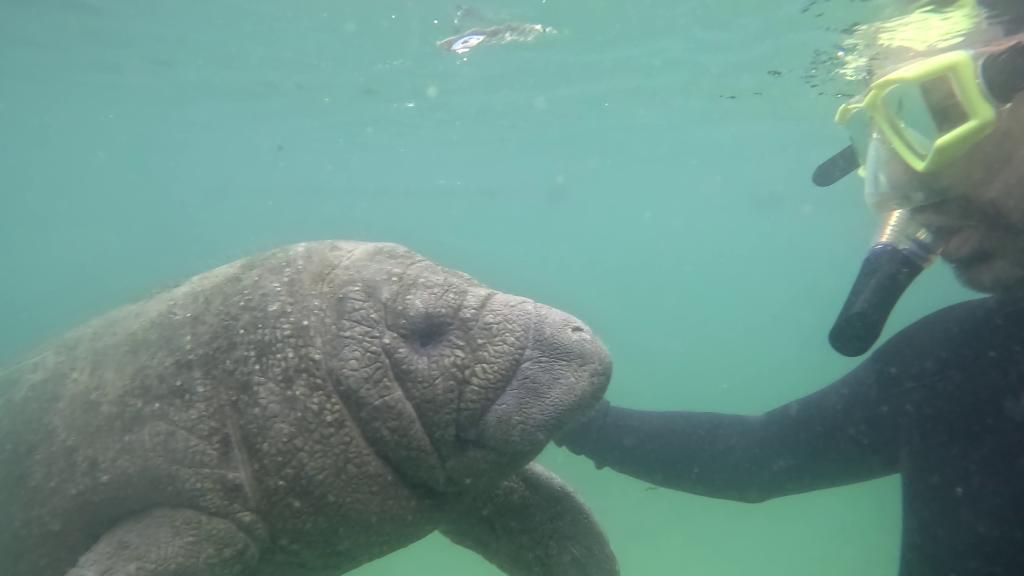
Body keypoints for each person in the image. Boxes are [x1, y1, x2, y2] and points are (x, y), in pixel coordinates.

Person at [557, 1, 1024, 574]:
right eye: (888, 143)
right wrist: (561, 416)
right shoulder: (962, 364)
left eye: (944, 112)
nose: (913, 189)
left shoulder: (967, 363)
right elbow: (762, 455)